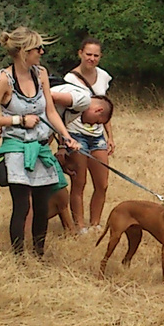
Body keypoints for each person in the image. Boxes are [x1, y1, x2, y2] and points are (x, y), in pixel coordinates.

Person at [0, 26, 79, 256]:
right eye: (38, 48)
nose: (42, 52)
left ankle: (39, 253)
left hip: (41, 147)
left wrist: (66, 137)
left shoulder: (41, 74)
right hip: (16, 149)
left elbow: (51, 112)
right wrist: (19, 120)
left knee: (43, 205)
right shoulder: (3, 80)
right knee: (22, 205)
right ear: (24, 51)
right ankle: (18, 257)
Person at [60, 38, 115, 232]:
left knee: (102, 183)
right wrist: (63, 142)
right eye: (88, 54)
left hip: (97, 134)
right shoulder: (70, 78)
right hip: (76, 133)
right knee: (79, 182)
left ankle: (95, 224)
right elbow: (61, 112)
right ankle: (79, 225)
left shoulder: (103, 77)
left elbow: (104, 108)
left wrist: (110, 136)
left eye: (96, 55)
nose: (91, 58)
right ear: (80, 53)